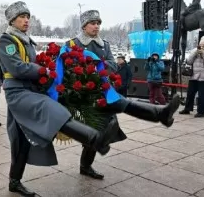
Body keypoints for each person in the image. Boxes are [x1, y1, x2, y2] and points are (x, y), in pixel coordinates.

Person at [0, 1, 120, 196]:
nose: (26, 20)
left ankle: (14, 181)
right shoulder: (7, 40)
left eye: (27, 17)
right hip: (17, 92)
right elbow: (16, 68)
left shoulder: (25, 40)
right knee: (52, 110)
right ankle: (94, 138)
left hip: (31, 89)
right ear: (12, 20)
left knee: (21, 139)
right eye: (22, 17)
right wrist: (44, 69)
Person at [65, 9, 180, 180]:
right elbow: (65, 68)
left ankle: (161, 113)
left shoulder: (104, 44)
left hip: (103, 90)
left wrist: (98, 66)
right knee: (97, 129)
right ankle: (88, 162)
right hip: (82, 94)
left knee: (123, 106)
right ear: (84, 26)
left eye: (98, 23)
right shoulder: (73, 44)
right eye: (93, 23)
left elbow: (113, 65)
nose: (96, 26)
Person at [179, 36, 204, 117]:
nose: (202, 47)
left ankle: (201, 112)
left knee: (202, 95)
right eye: (201, 45)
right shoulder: (195, 51)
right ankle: (187, 109)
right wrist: (195, 53)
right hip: (194, 76)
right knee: (190, 93)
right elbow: (188, 61)